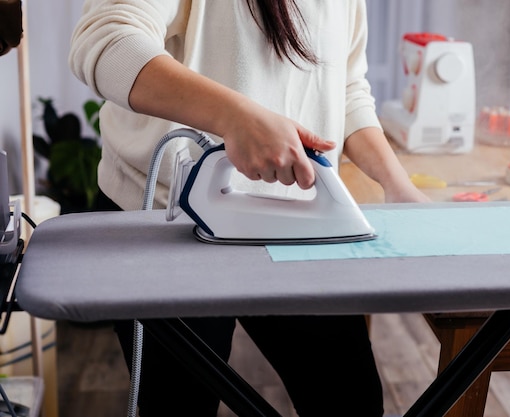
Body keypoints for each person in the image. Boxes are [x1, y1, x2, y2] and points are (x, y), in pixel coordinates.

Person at [69, 1, 430, 416]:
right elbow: (106, 39)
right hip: (171, 220)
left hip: (293, 224)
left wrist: (398, 186)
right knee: (179, 404)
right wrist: (235, 115)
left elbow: (346, 87)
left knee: (350, 398)